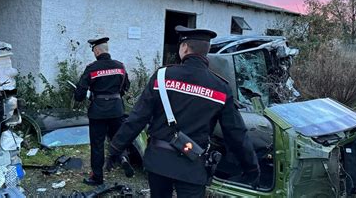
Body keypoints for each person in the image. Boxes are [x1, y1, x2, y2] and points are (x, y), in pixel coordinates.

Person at [107, 26, 260, 197]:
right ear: (206, 51)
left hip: (159, 162)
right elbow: (236, 133)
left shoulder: (162, 77)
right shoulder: (220, 88)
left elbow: (137, 118)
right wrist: (251, 167)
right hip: (193, 166)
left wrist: (115, 148)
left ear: (185, 47)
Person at [74, 37, 132, 185]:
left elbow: (80, 93)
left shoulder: (92, 68)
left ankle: (97, 177)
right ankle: (123, 158)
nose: (94, 53)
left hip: (98, 112)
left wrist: (81, 98)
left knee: (97, 144)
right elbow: (126, 86)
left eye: (93, 50)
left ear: (97, 50)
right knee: (117, 138)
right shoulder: (120, 66)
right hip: (117, 110)